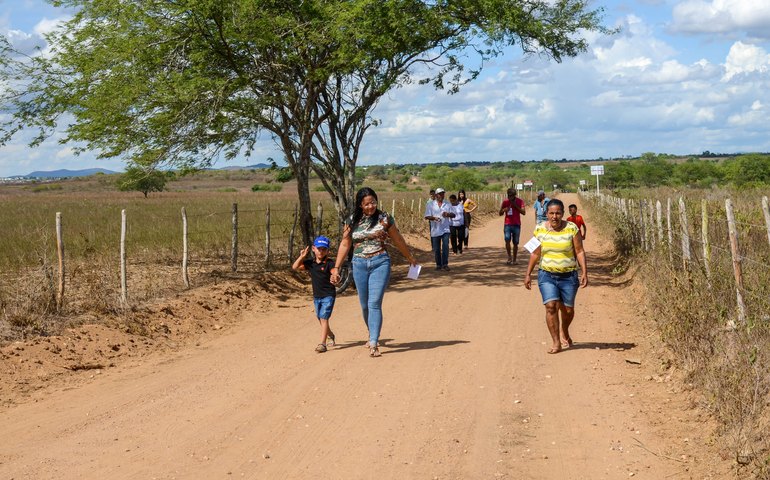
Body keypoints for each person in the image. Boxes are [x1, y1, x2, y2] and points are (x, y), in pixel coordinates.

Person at [333, 187, 418, 357]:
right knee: (364, 305)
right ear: (360, 205)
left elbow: (397, 238)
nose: (371, 206)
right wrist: (336, 267)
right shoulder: (351, 220)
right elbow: (345, 244)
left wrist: (410, 257)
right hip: (359, 264)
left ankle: (373, 342)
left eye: (373, 202)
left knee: (374, 303)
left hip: (380, 262)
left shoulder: (384, 218)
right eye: (366, 204)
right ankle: (371, 332)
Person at [524, 198, 588, 354]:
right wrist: (528, 274)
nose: (554, 217)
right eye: (551, 213)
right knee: (551, 307)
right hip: (547, 275)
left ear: (563, 214)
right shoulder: (540, 229)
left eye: (558, 213)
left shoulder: (572, 228)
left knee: (567, 310)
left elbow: (579, 251)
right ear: (546, 214)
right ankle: (556, 342)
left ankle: (564, 331)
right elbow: (535, 253)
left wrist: (585, 271)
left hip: (569, 276)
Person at [292, 236, 337, 353]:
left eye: (324, 249)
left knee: (324, 317)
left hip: (328, 295)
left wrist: (335, 276)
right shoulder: (310, 263)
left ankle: (322, 344)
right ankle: (330, 335)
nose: (321, 251)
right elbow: (295, 267)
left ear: (327, 251)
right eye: (319, 249)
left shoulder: (330, 263)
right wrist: (302, 256)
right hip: (317, 296)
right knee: (321, 319)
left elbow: (334, 273)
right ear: (313, 248)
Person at [424, 187, 455, 270]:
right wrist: (434, 218)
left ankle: (445, 264)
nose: (441, 195)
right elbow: (426, 216)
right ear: (436, 195)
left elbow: (454, 215)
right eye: (440, 194)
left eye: (443, 193)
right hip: (435, 229)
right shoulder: (430, 204)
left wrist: (447, 214)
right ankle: (438, 265)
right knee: (437, 249)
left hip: (445, 229)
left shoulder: (448, 204)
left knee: (445, 246)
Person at [499, 187, 525, 264]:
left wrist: (515, 206)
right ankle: (509, 257)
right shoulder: (505, 202)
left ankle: (514, 259)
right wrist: (504, 210)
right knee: (507, 240)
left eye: (511, 196)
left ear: (514, 195)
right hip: (507, 224)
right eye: (508, 195)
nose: (509, 197)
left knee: (516, 243)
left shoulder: (520, 201)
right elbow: (500, 213)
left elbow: (524, 212)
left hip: (516, 224)